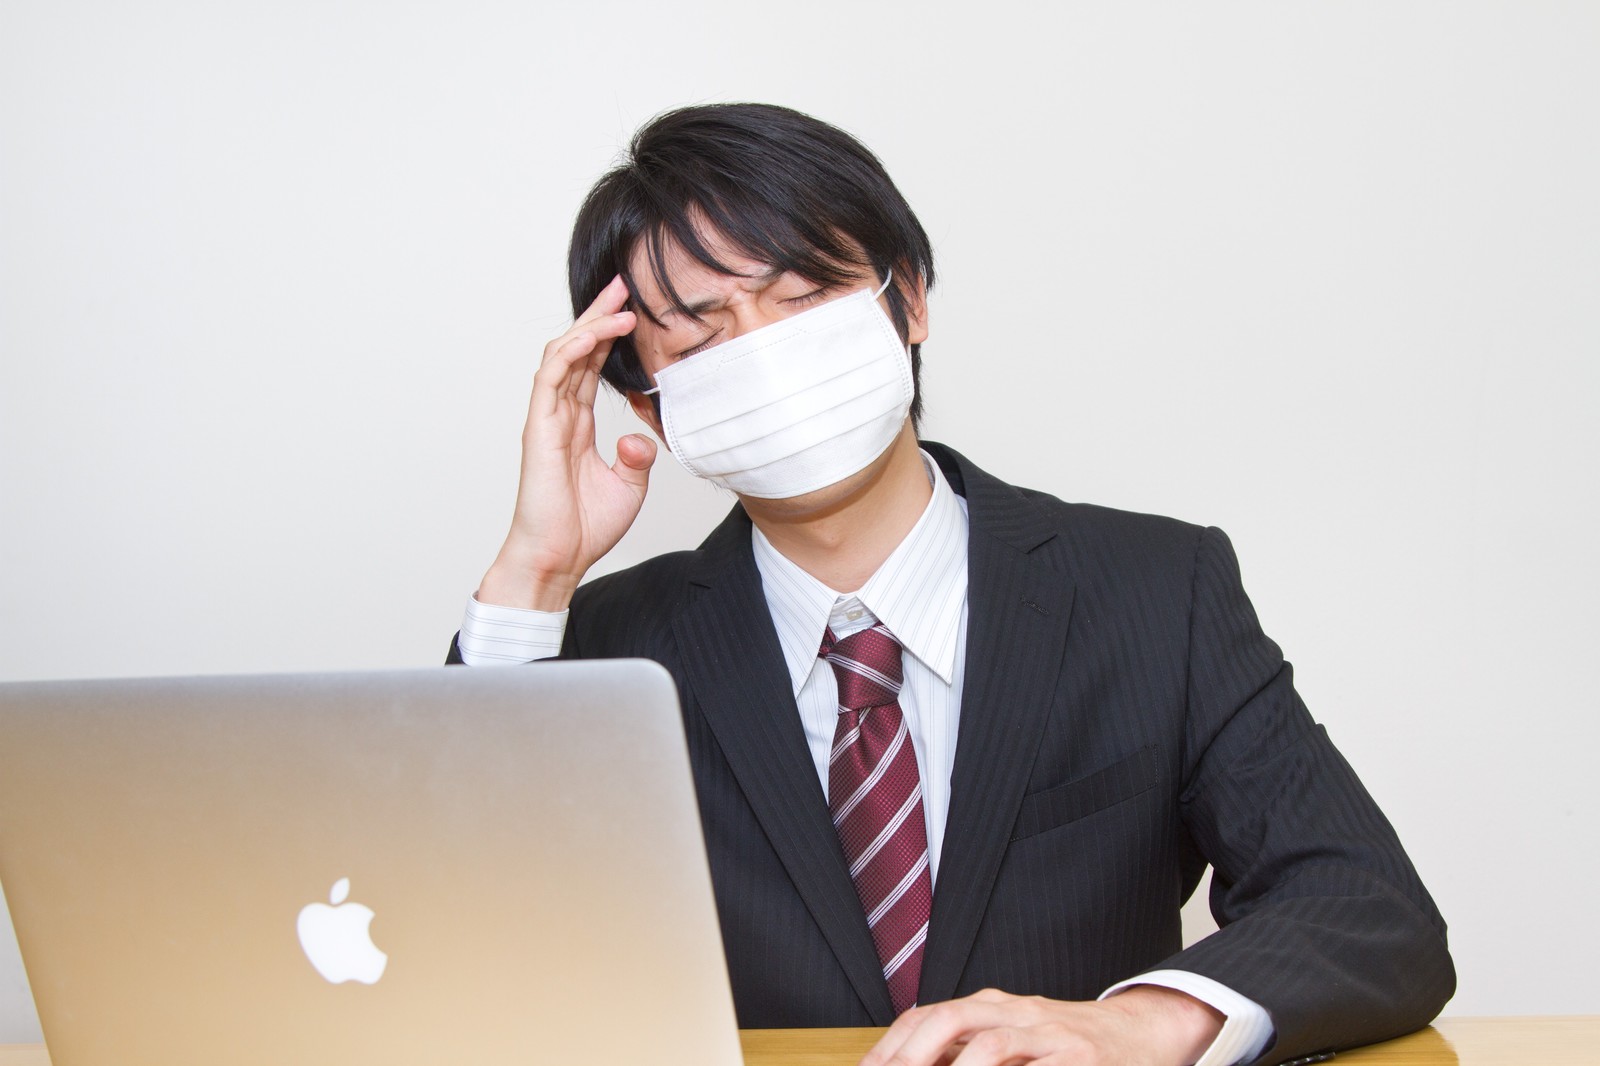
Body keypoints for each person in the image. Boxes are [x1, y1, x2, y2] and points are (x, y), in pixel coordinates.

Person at [449, 103, 1453, 1066]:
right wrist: (535, 572)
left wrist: (1142, 1028)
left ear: (910, 301)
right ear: (652, 406)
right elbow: (458, 949)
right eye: (703, 335)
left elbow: (1368, 908)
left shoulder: (1157, 590)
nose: (766, 352)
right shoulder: (605, 652)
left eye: (804, 297)